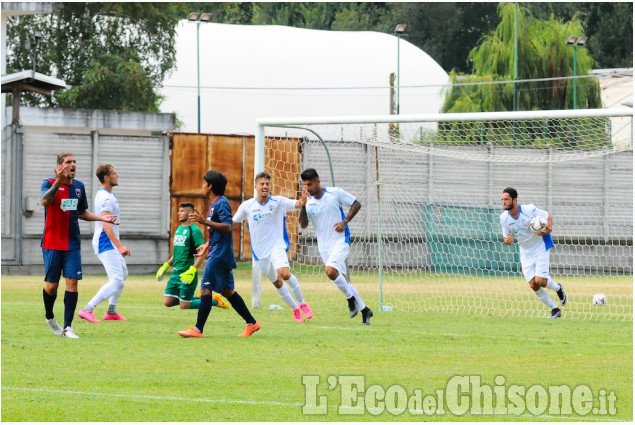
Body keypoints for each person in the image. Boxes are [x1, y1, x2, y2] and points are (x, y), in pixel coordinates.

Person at [40, 153, 118, 338]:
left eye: (74, 162)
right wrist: (57, 183)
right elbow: (44, 201)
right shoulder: (49, 182)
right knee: (52, 286)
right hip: (52, 243)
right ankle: (50, 317)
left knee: (72, 282)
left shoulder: (79, 187)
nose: (72, 165)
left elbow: (81, 212)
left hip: (72, 244)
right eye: (68, 162)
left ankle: (68, 327)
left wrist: (100, 217)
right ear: (60, 166)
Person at [177, 170, 260, 338]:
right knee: (227, 291)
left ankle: (198, 329)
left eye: (203, 183)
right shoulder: (215, 203)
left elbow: (228, 226)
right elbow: (218, 231)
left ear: (210, 186)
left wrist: (204, 221)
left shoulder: (221, 203)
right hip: (218, 251)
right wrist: (207, 245)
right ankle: (252, 323)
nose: (202, 186)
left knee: (206, 288)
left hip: (220, 255)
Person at [233, 172, 313, 322]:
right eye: (262, 184)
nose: (265, 186)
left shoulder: (278, 202)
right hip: (260, 253)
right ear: (256, 186)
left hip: (277, 246)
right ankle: (295, 308)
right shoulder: (247, 206)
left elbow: (297, 204)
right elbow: (234, 221)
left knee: (284, 273)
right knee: (276, 282)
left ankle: (302, 304)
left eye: (267, 184)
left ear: (270, 186)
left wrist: (303, 199)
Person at [299, 168, 373, 325]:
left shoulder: (334, 193)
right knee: (344, 281)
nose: (308, 188)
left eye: (310, 184)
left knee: (330, 271)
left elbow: (356, 204)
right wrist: (303, 206)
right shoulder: (308, 201)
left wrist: (345, 221)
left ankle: (350, 299)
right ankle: (365, 310)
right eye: (305, 185)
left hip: (340, 240)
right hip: (324, 247)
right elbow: (303, 225)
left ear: (318, 181)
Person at [500, 187, 567, 319]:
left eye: (506, 199)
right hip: (525, 251)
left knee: (540, 280)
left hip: (540, 246)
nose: (503, 202)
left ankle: (558, 288)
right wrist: (507, 240)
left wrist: (548, 229)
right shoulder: (503, 218)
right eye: (502, 199)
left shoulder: (529, 209)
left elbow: (548, 216)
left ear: (514, 200)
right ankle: (554, 309)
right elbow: (506, 237)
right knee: (533, 284)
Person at [78, 164, 131, 323]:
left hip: (108, 242)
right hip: (105, 242)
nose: (118, 176)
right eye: (115, 173)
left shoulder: (107, 194)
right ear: (106, 177)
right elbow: (106, 224)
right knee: (116, 280)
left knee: (123, 274)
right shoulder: (106, 198)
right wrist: (119, 246)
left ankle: (111, 311)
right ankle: (87, 309)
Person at [156, 202, 229, 310]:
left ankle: (215, 301)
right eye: (179, 211)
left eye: (182, 211)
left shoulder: (195, 231)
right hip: (176, 273)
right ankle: (199, 299)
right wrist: (165, 266)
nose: (178, 213)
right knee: (168, 302)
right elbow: (176, 253)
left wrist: (193, 270)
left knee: (185, 306)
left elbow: (202, 252)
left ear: (190, 213)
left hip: (187, 272)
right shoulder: (179, 229)